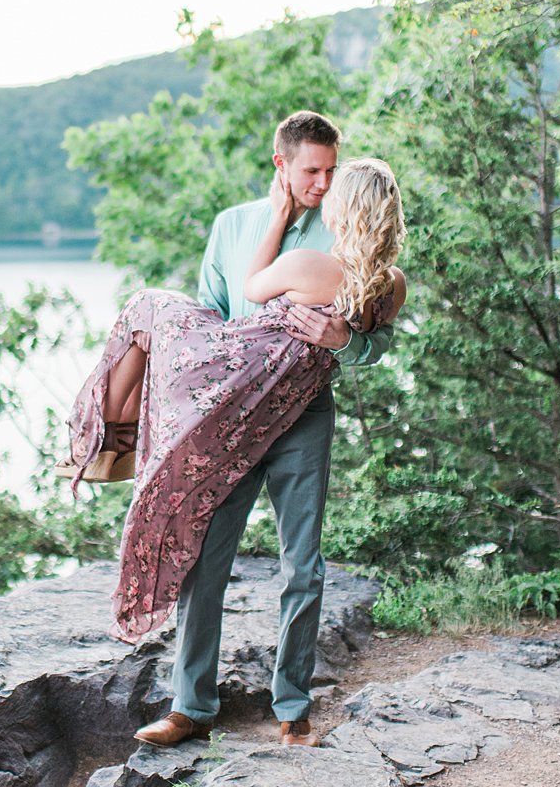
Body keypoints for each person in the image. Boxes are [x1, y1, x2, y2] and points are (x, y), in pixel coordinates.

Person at [58, 111, 406, 747]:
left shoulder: (340, 239)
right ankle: (191, 706)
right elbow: (211, 323)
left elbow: (376, 340)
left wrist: (347, 341)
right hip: (230, 421)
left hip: (303, 418)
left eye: (333, 172)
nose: (324, 183)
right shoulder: (233, 226)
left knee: (303, 563)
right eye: (312, 171)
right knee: (203, 556)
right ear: (282, 165)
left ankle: (292, 706)